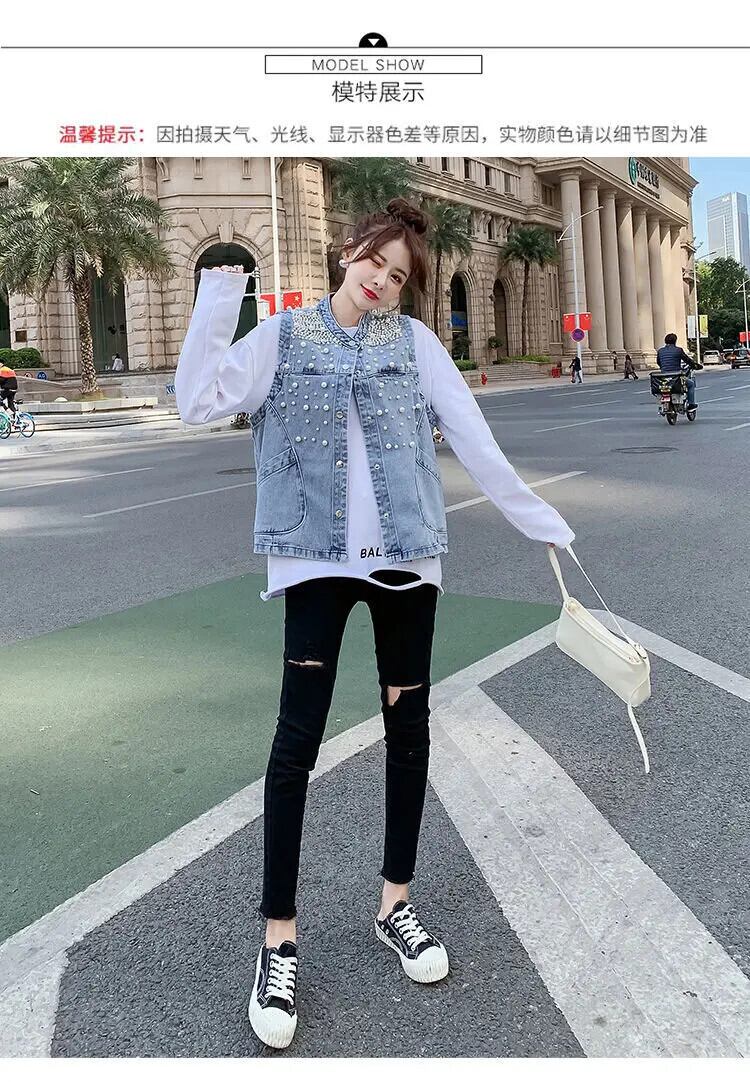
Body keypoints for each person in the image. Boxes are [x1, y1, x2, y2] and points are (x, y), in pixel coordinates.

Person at [175, 197, 575, 1051]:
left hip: (406, 562)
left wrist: (536, 518)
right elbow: (198, 401)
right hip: (316, 561)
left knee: (409, 735)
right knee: (296, 743)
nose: (383, 282)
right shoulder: (283, 336)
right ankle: (278, 941)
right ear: (349, 250)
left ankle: (396, 904)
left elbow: (473, 437)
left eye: (398, 278)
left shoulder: (416, 343)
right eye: (376, 263)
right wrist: (219, 297)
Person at [656, 332, 701, 408]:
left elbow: (658, 362)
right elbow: (687, 360)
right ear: (675, 341)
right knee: (691, 384)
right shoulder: (678, 350)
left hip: (664, 378)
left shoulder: (660, 351)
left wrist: (664, 368)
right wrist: (695, 365)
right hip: (676, 377)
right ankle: (691, 404)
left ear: (665, 341)